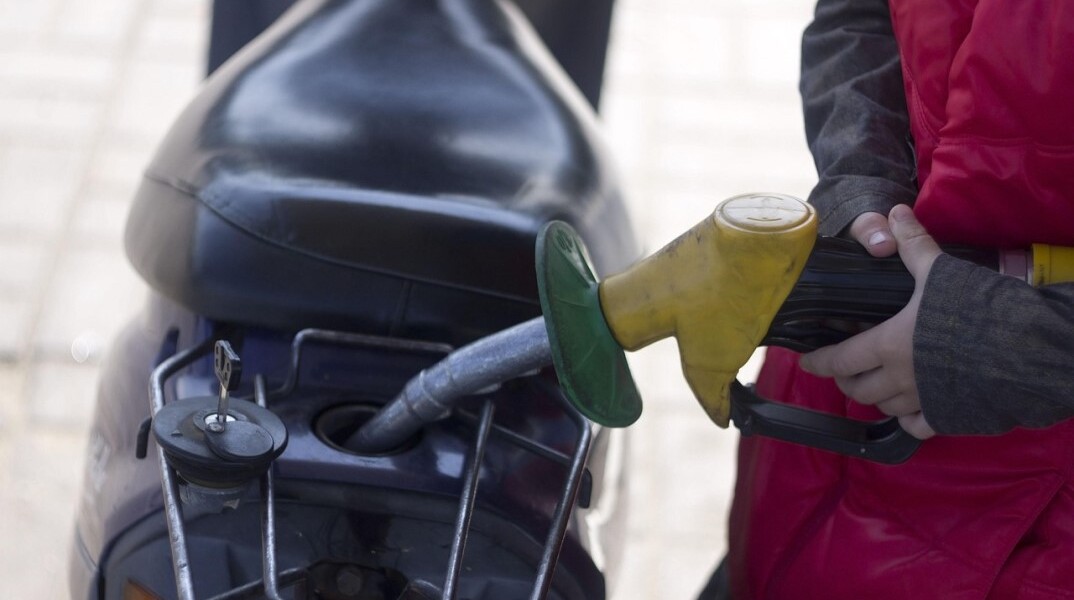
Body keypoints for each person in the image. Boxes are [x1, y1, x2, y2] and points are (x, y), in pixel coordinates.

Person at [717, 0, 1074, 598]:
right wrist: (859, 180)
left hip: (1035, 536)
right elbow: (858, 14)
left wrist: (1022, 346)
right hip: (820, 438)